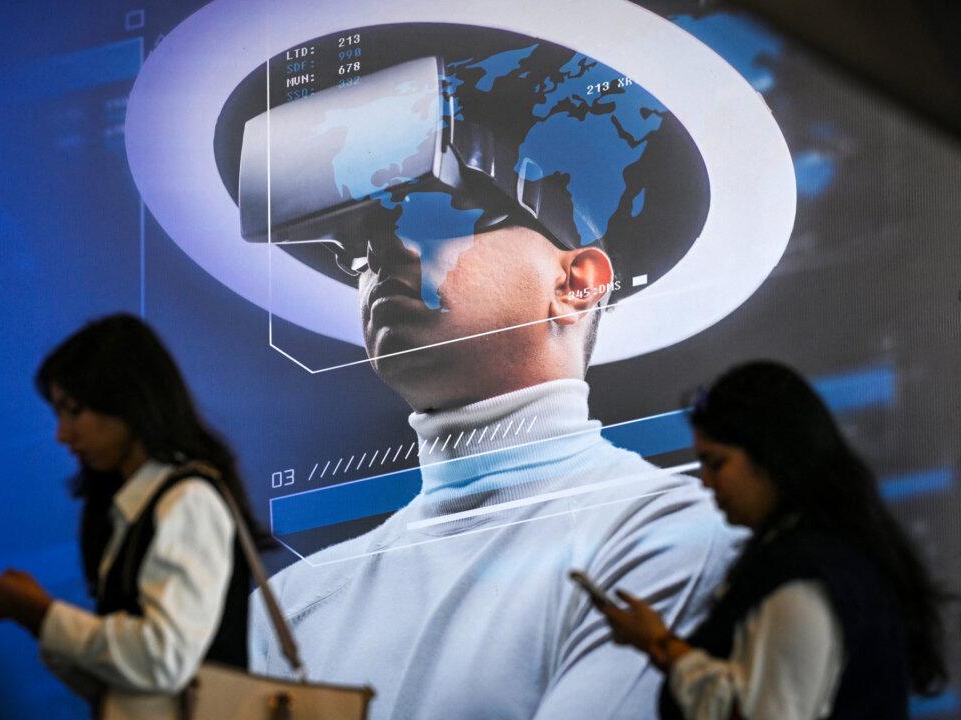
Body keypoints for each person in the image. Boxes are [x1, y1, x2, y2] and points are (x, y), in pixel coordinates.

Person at [246, 36, 744, 718]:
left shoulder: (666, 535)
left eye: (428, 212)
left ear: (575, 284)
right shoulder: (294, 607)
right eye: (357, 244)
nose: (379, 253)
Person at [0, 313, 265, 720]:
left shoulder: (187, 500)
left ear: (128, 400)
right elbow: (124, 686)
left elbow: (163, 661)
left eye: (73, 411)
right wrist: (36, 619)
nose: (62, 434)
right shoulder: (129, 507)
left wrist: (44, 614)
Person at [597, 361, 951, 719]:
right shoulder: (825, 552)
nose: (704, 481)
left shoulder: (802, 575)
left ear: (771, 454)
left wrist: (664, 646)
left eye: (716, 463)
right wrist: (661, 644)